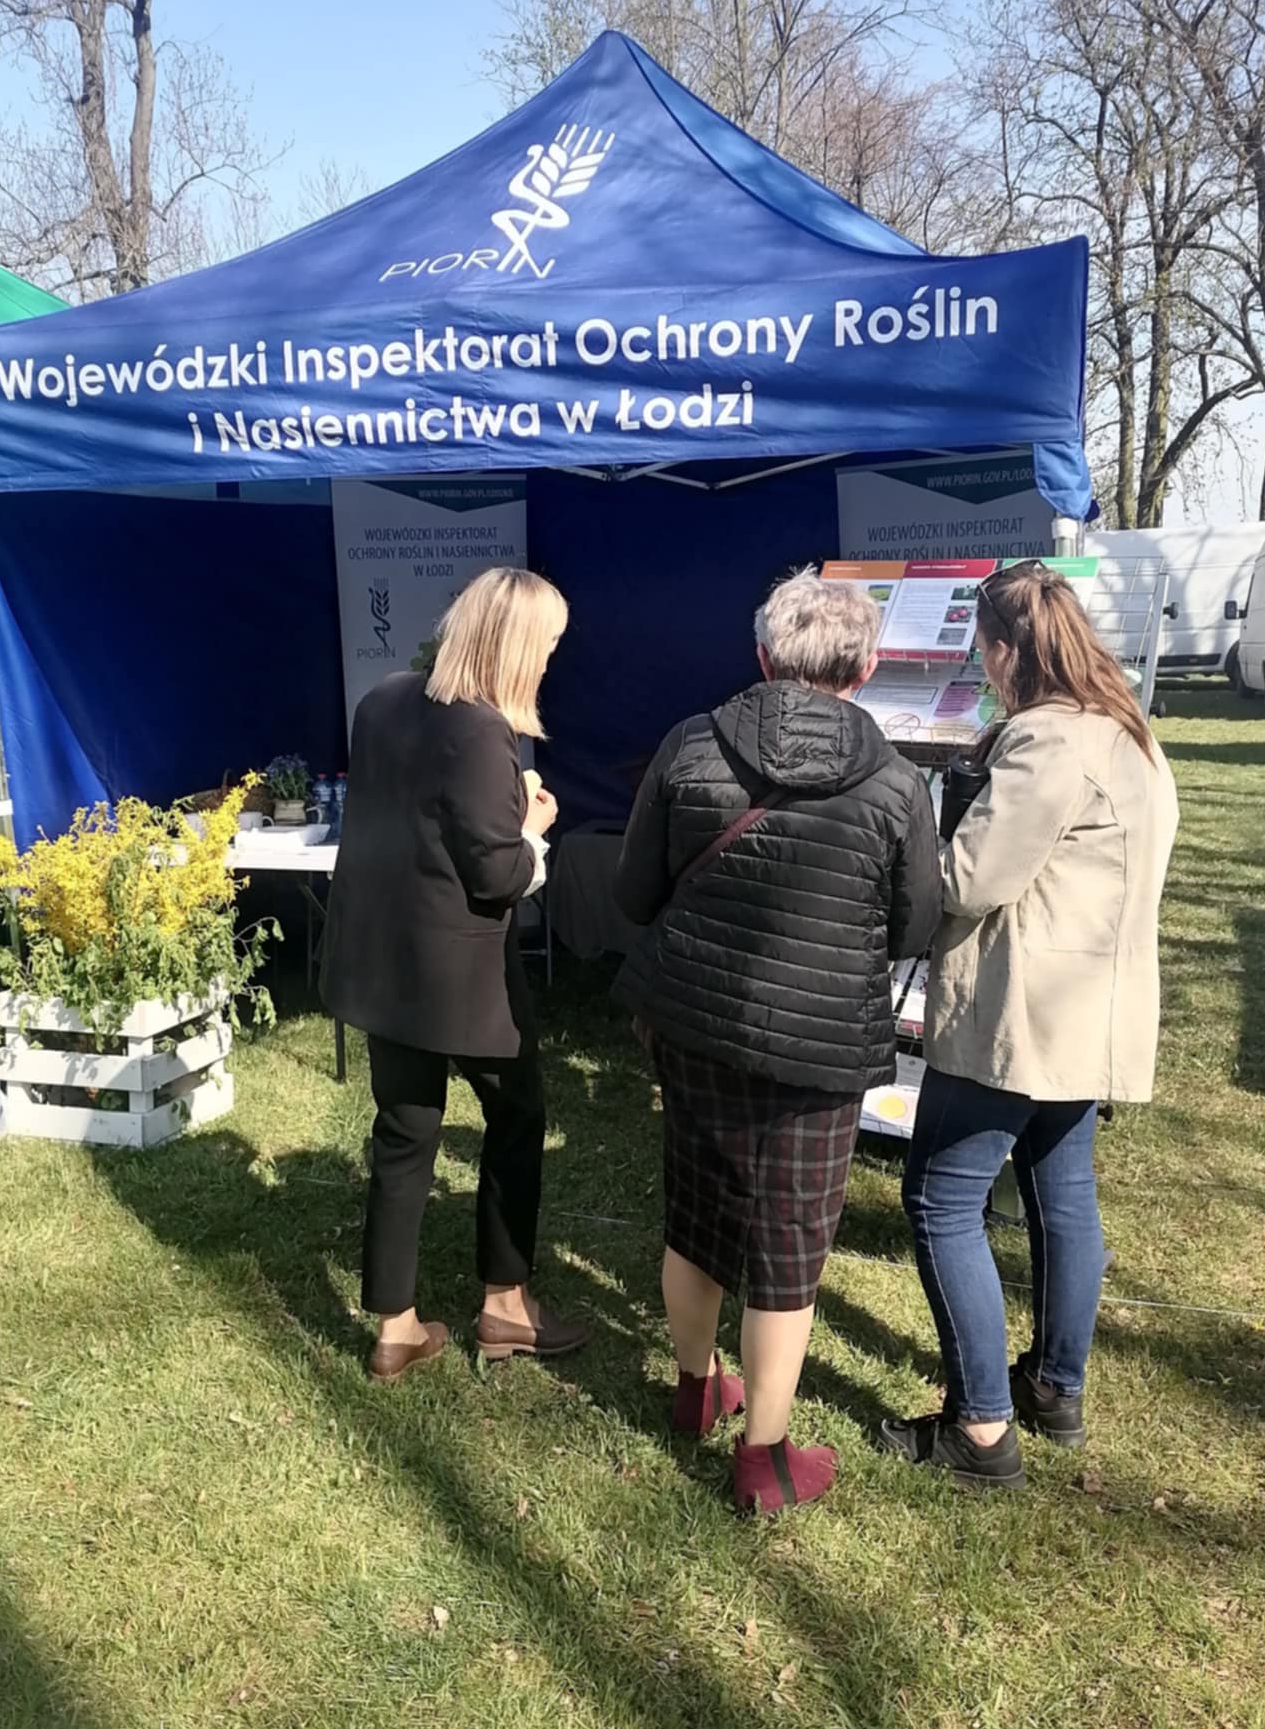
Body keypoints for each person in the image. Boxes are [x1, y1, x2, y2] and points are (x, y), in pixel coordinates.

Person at [614, 571, 942, 1515]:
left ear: (762, 656)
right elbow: (916, 926)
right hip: (820, 1045)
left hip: (694, 1021)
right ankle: (763, 1458)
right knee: (789, 1245)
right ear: (867, 668)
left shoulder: (690, 744)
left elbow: (634, 892)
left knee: (696, 1209)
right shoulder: (894, 781)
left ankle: (695, 1388)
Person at [880, 560, 1179, 1489]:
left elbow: (971, 879)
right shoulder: (1128, 732)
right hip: (1090, 1010)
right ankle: (1055, 1387)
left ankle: (980, 1427)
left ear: (1009, 649)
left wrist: (905, 853)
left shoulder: (1048, 741)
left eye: (985, 653)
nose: (984, 669)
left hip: (1022, 1015)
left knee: (941, 1200)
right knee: (1062, 1194)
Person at [320, 568, 588, 1381]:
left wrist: (503, 808)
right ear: (515, 645)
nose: (550, 660)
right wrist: (533, 827)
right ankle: (506, 1305)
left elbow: (421, 821)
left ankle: (394, 1325)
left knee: (404, 1132)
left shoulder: (380, 700)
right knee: (517, 1117)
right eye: (548, 645)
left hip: (382, 962)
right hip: (461, 977)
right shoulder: (480, 729)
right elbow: (499, 874)